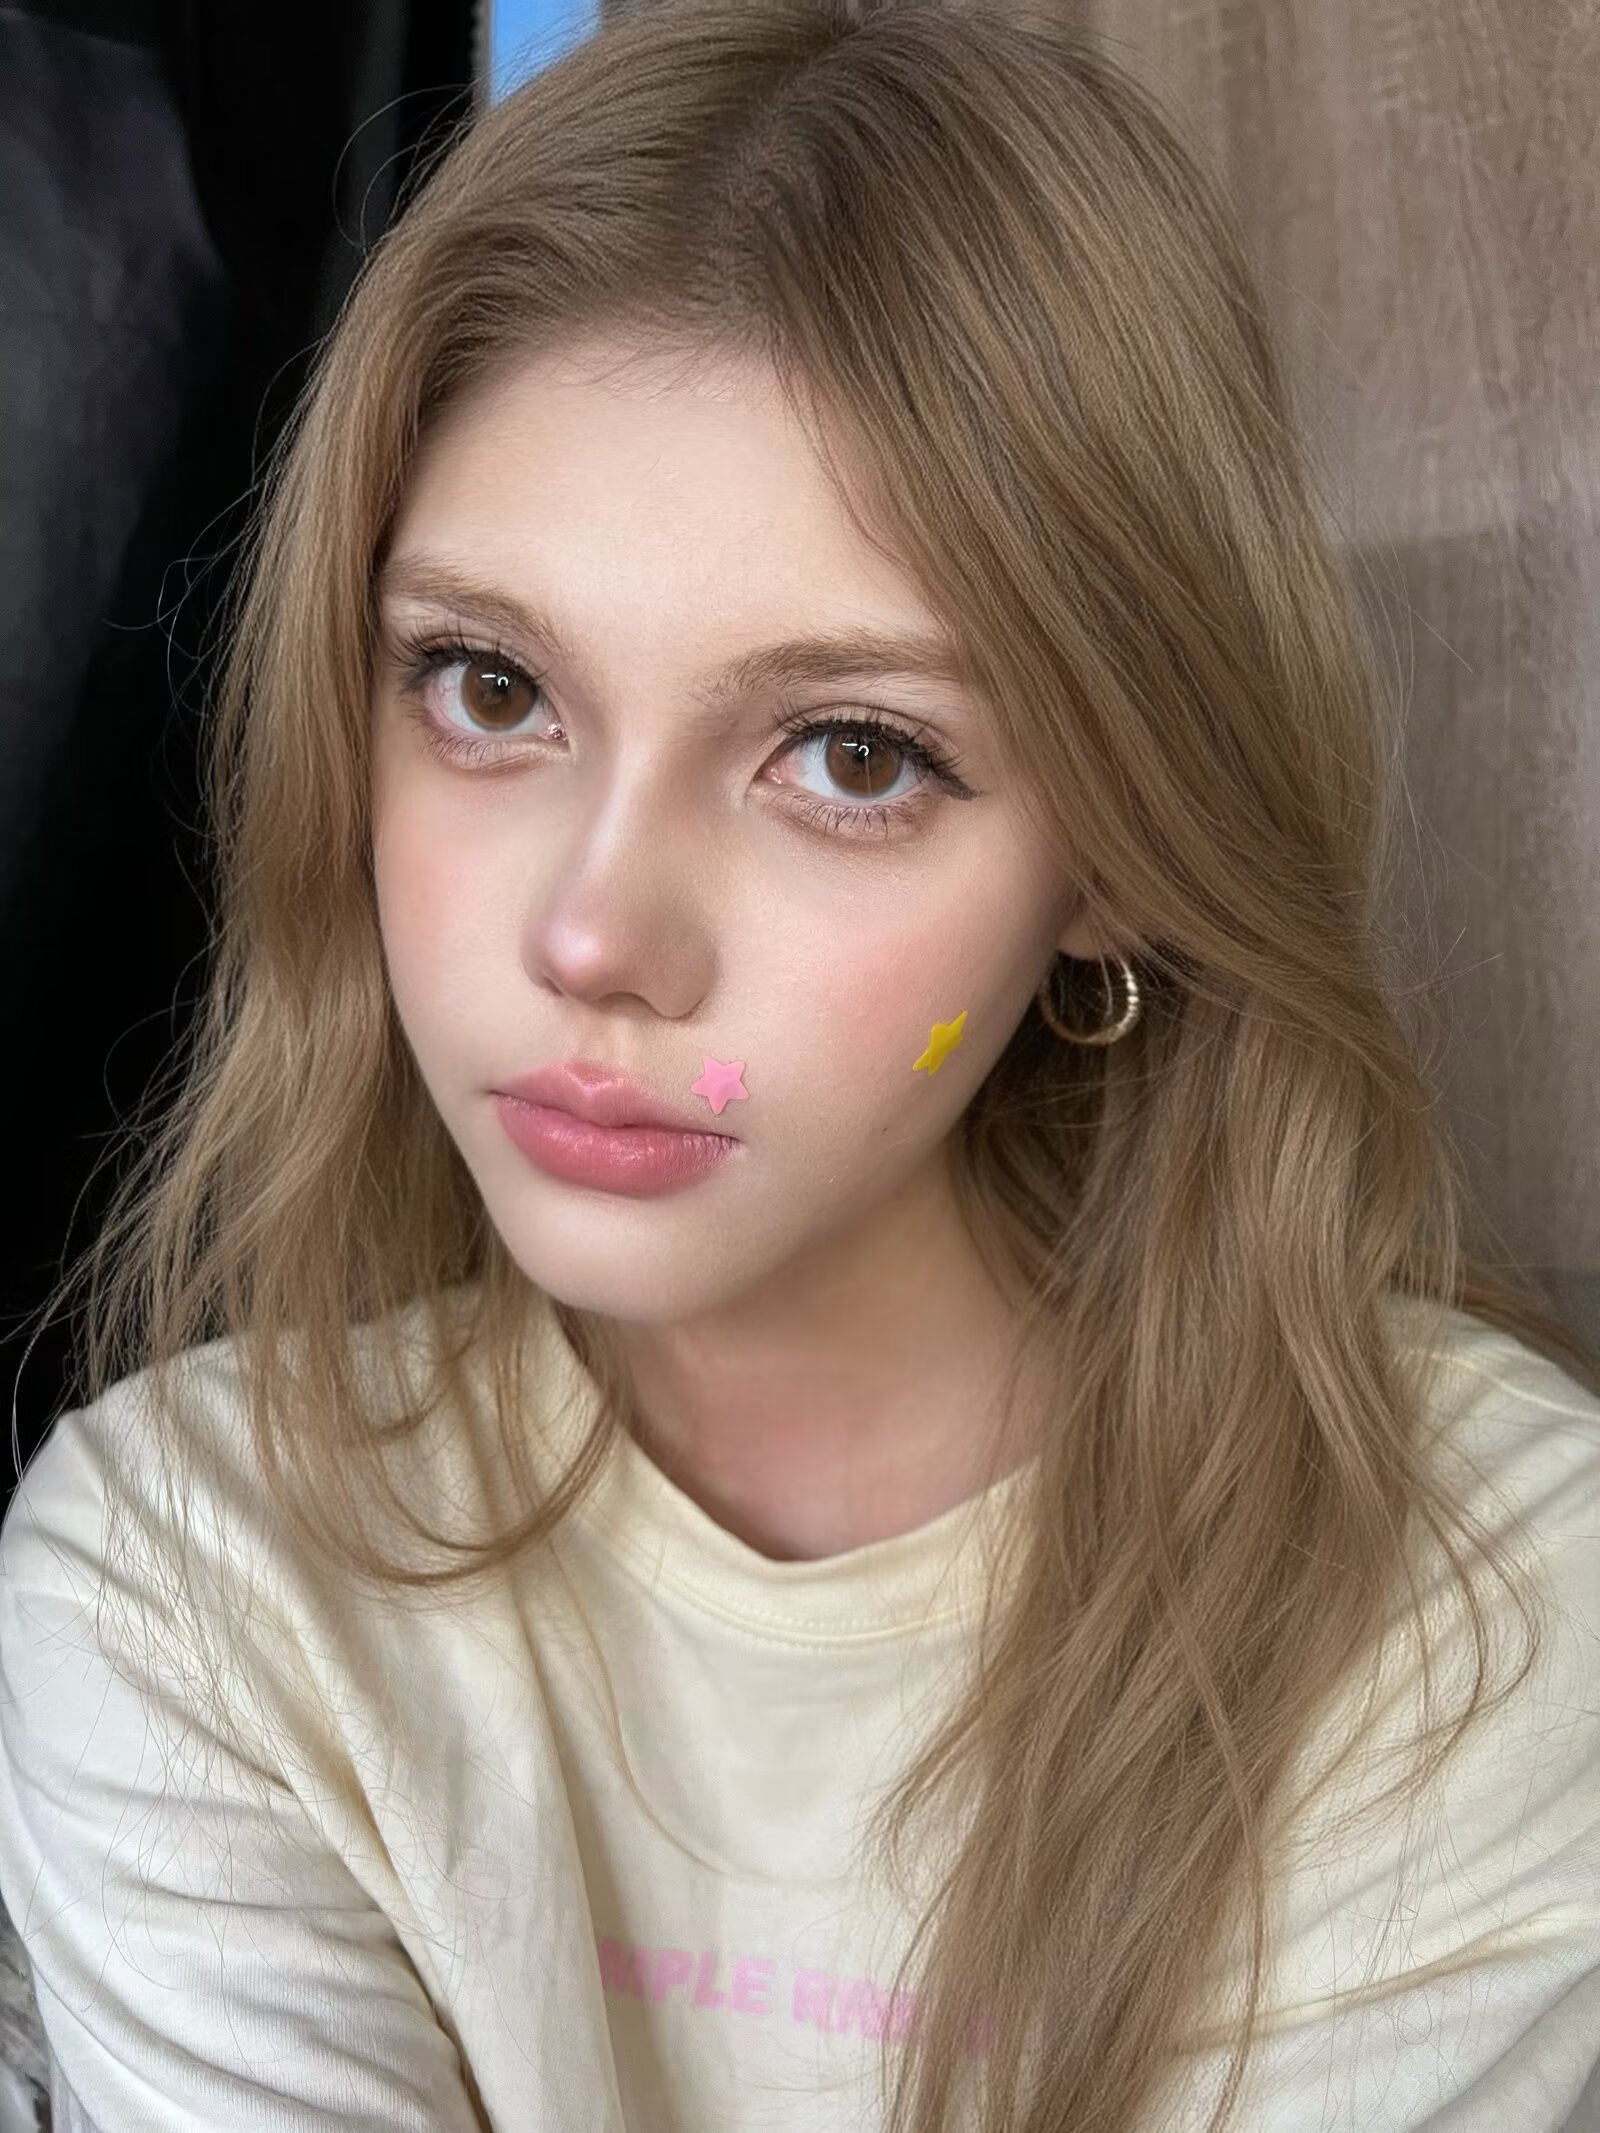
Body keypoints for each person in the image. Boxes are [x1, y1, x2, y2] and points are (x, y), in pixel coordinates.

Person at [2, 1, 1597, 2128]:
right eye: (489, 686)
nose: (591, 934)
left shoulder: (1497, 1595)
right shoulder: (196, 1570)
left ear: (1120, 851)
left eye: (851, 753)